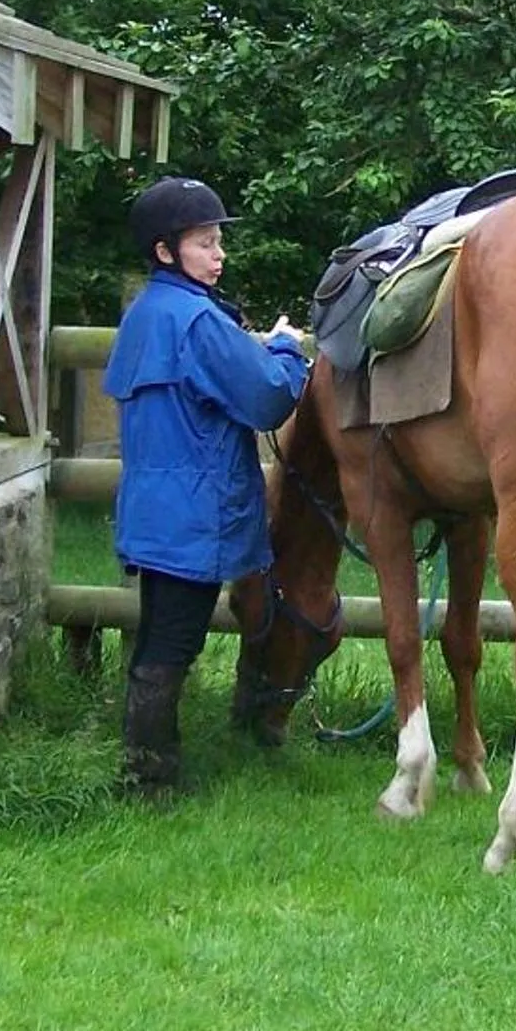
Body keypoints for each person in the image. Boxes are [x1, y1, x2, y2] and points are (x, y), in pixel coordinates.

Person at [101, 175, 310, 793]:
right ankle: (150, 779)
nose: (218, 255)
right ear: (166, 251)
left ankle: (148, 765)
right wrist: (285, 348)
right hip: (192, 513)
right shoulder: (195, 320)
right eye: (204, 243)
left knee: (159, 638)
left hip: (154, 507)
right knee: (172, 645)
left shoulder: (147, 312)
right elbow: (268, 397)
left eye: (218, 242)